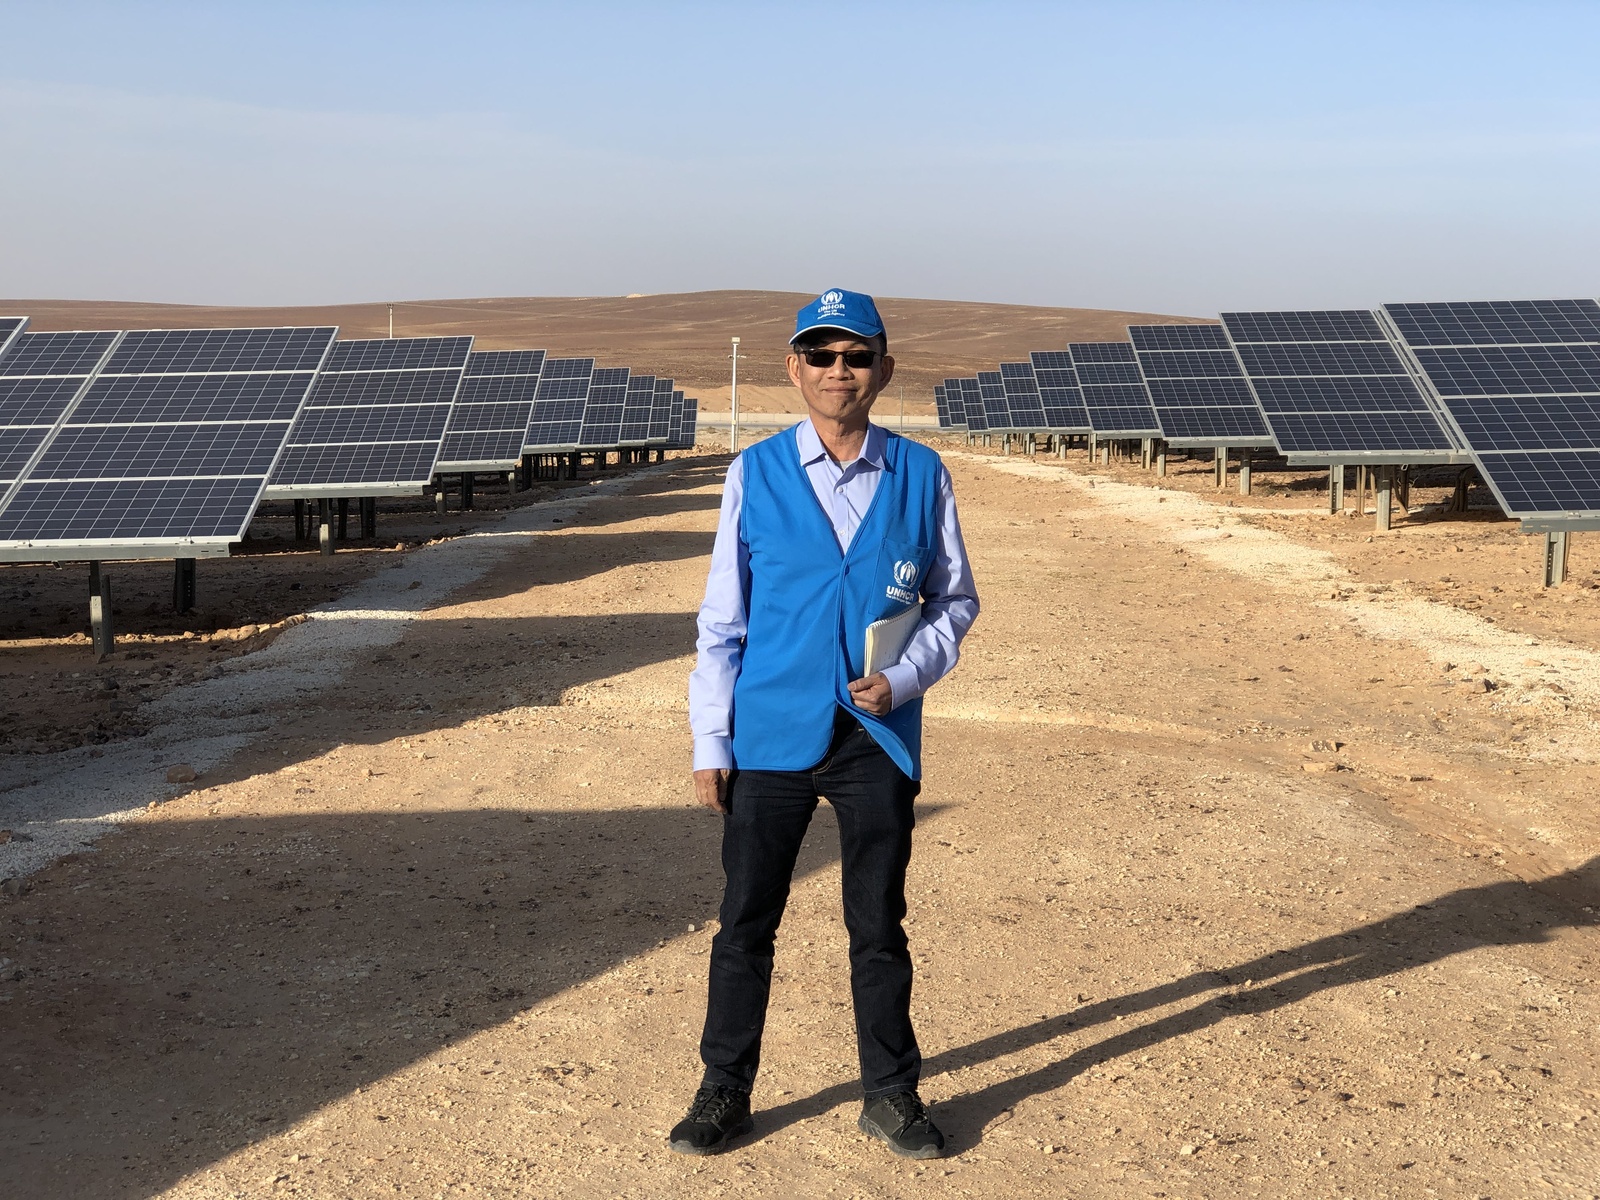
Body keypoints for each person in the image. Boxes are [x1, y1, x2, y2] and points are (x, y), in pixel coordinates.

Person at [671, 288, 980, 1159]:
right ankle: (723, 1090)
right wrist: (711, 742)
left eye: (855, 356)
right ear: (793, 368)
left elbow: (953, 601)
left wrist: (906, 676)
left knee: (877, 925)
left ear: (884, 367)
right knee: (745, 924)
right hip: (769, 736)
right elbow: (721, 624)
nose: (837, 372)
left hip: (874, 742)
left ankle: (890, 1093)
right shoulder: (755, 474)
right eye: (820, 355)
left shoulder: (921, 475)